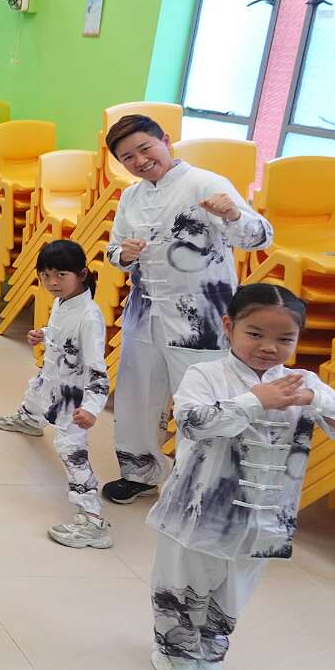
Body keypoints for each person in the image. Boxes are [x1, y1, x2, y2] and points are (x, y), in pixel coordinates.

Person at [145, 284, 335, 670]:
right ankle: (174, 654)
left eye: (285, 338)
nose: (269, 347)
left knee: (234, 590)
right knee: (185, 583)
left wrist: (317, 398)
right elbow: (191, 424)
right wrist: (254, 402)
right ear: (229, 326)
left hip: (265, 517)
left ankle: (210, 655)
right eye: (255, 334)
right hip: (200, 510)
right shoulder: (205, 375)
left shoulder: (301, 382)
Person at [100, 114, 273, 504]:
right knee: (137, 393)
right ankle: (140, 472)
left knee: (202, 400)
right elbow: (114, 250)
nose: (140, 161)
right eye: (128, 158)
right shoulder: (131, 197)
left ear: (165, 140)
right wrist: (123, 255)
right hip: (144, 313)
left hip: (201, 317)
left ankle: (202, 484)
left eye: (145, 148)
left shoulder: (205, 183)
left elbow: (260, 237)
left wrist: (232, 214)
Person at [0, 239, 113, 548]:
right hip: (53, 376)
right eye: (45, 275)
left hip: (73, 396)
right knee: (37, 392)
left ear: (81, 274)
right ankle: (30, 420)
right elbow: (63, 331)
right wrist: (44, 334)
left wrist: (92, 408)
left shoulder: (90, 317)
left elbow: (98, 371)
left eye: (60, 274)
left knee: (71, 449)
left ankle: (93, 520)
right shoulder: (64, 301)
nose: (52, 282)